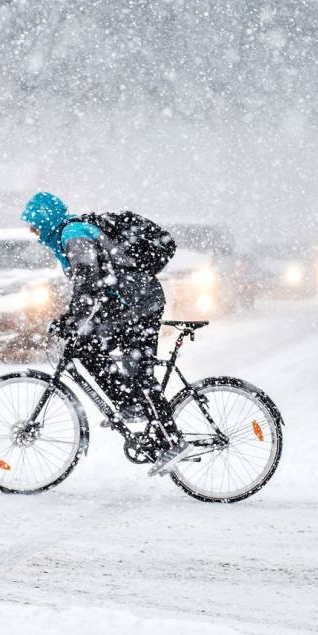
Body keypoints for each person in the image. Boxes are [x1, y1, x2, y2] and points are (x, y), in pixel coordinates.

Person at [20, 191, 190, 476]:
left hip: (139, 304)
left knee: (136, 371)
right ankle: (130, 404)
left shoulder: (73, 234)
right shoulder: (69, 234)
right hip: (130, 304)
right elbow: (94, 285)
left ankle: (172, 440)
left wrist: (73, 319)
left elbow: (89, 280)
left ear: (45, 219)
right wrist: (74, 318)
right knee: (88, 347)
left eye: (34, 222)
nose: (32, 230)